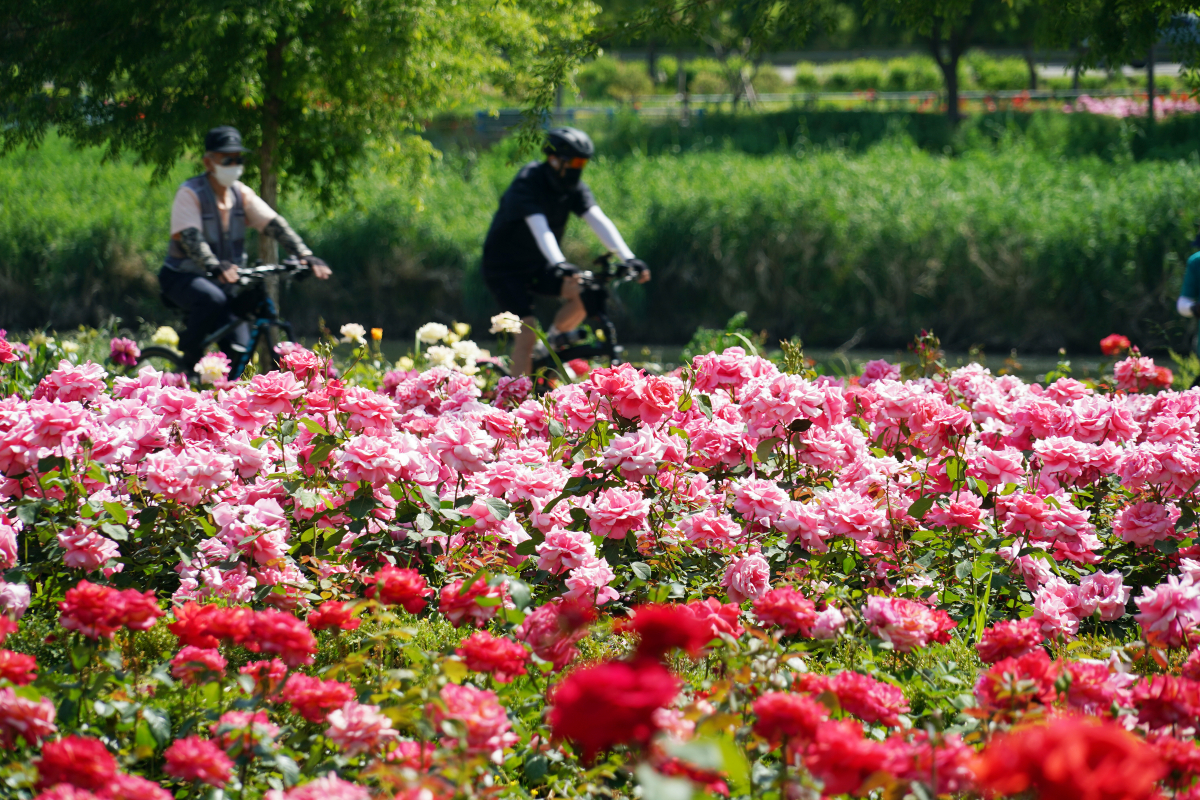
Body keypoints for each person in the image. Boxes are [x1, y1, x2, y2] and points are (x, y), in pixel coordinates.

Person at [159, 125, 332, 372]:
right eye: (227, 159)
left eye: (238, 159)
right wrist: (213, 265)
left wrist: (304, 255)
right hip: (183, 276)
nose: (235, 165)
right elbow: (190, 238)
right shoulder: (190, 192)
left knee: (239, 351)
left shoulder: (241, 193)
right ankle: (187, 358)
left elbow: (274, 224)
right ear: (208, 162)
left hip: (226, 281)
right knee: (212, 299)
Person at [481, 126, 649, 375]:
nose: (579, 168)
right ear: (554, 158)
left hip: (540, 263)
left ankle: (552, 341)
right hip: (505, 268)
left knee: (587, 291)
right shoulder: (528, 181)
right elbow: (540, 227)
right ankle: (513, 398)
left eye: (583, 162)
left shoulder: (573, 186)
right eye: (575, 161)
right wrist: (560, 262)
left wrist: (630, 258)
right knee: (526, 330)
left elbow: (597, 219)